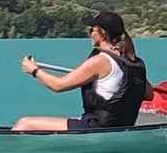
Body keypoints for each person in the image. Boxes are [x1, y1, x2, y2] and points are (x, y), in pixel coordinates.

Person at [12, 11, 153, 131]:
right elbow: (149, 94)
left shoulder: (100, 61)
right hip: (119, 126)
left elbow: (58, 85)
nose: (90, 34)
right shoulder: (133, 63)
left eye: (92, 30)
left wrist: (34, 70)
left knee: (24, 124)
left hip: (96, 128)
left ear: (102, 34)